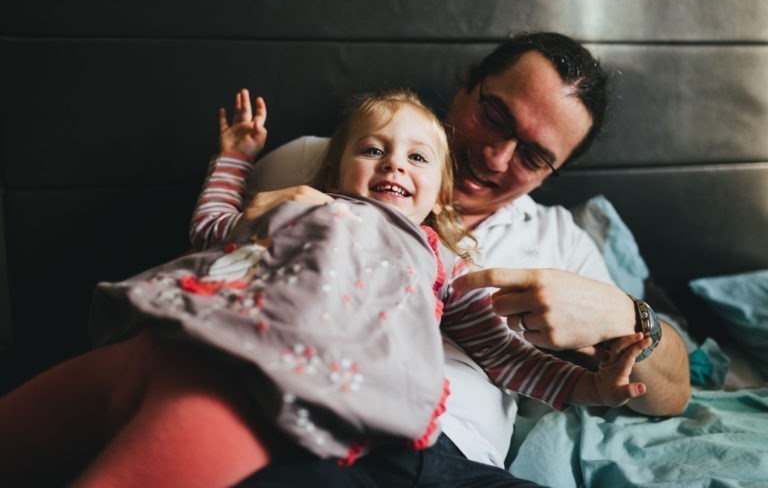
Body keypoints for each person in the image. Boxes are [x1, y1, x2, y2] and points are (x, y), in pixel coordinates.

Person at [0, 88, 648, 487]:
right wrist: (235, 161)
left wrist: (588, 385)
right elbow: (213, 230)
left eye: (417, 157)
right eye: (373, 149)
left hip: (288, 393)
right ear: (340, 164)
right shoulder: (301, 202)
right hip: (188, 337)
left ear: (439, 195)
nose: (394, 162)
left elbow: (506, 358)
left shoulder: (439, 262)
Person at [229, 31, 691, 486]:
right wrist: (248, 229)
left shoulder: (560, 242)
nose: (496, 157)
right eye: (494, 117)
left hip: (457, 451)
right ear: (467, 84)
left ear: (552, 174)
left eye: (532, 157)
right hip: (315, 413)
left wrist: (621, 313)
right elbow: (203, 284)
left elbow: (671, 394)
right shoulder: (318, 160)